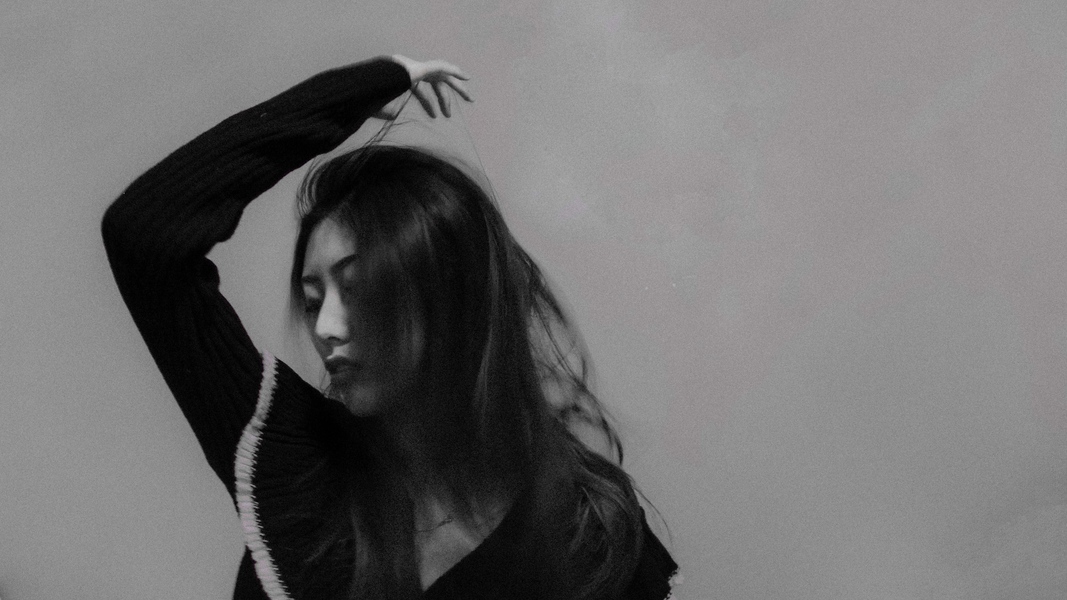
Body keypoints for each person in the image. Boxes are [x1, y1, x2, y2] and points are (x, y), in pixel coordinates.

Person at [102, 53, 678, 600]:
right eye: (312, 300)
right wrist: (351, 95)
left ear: (447, 294)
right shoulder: (291, 457)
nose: (326, 328)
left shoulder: (585, 525)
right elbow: (144, 233)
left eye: (355, 290)